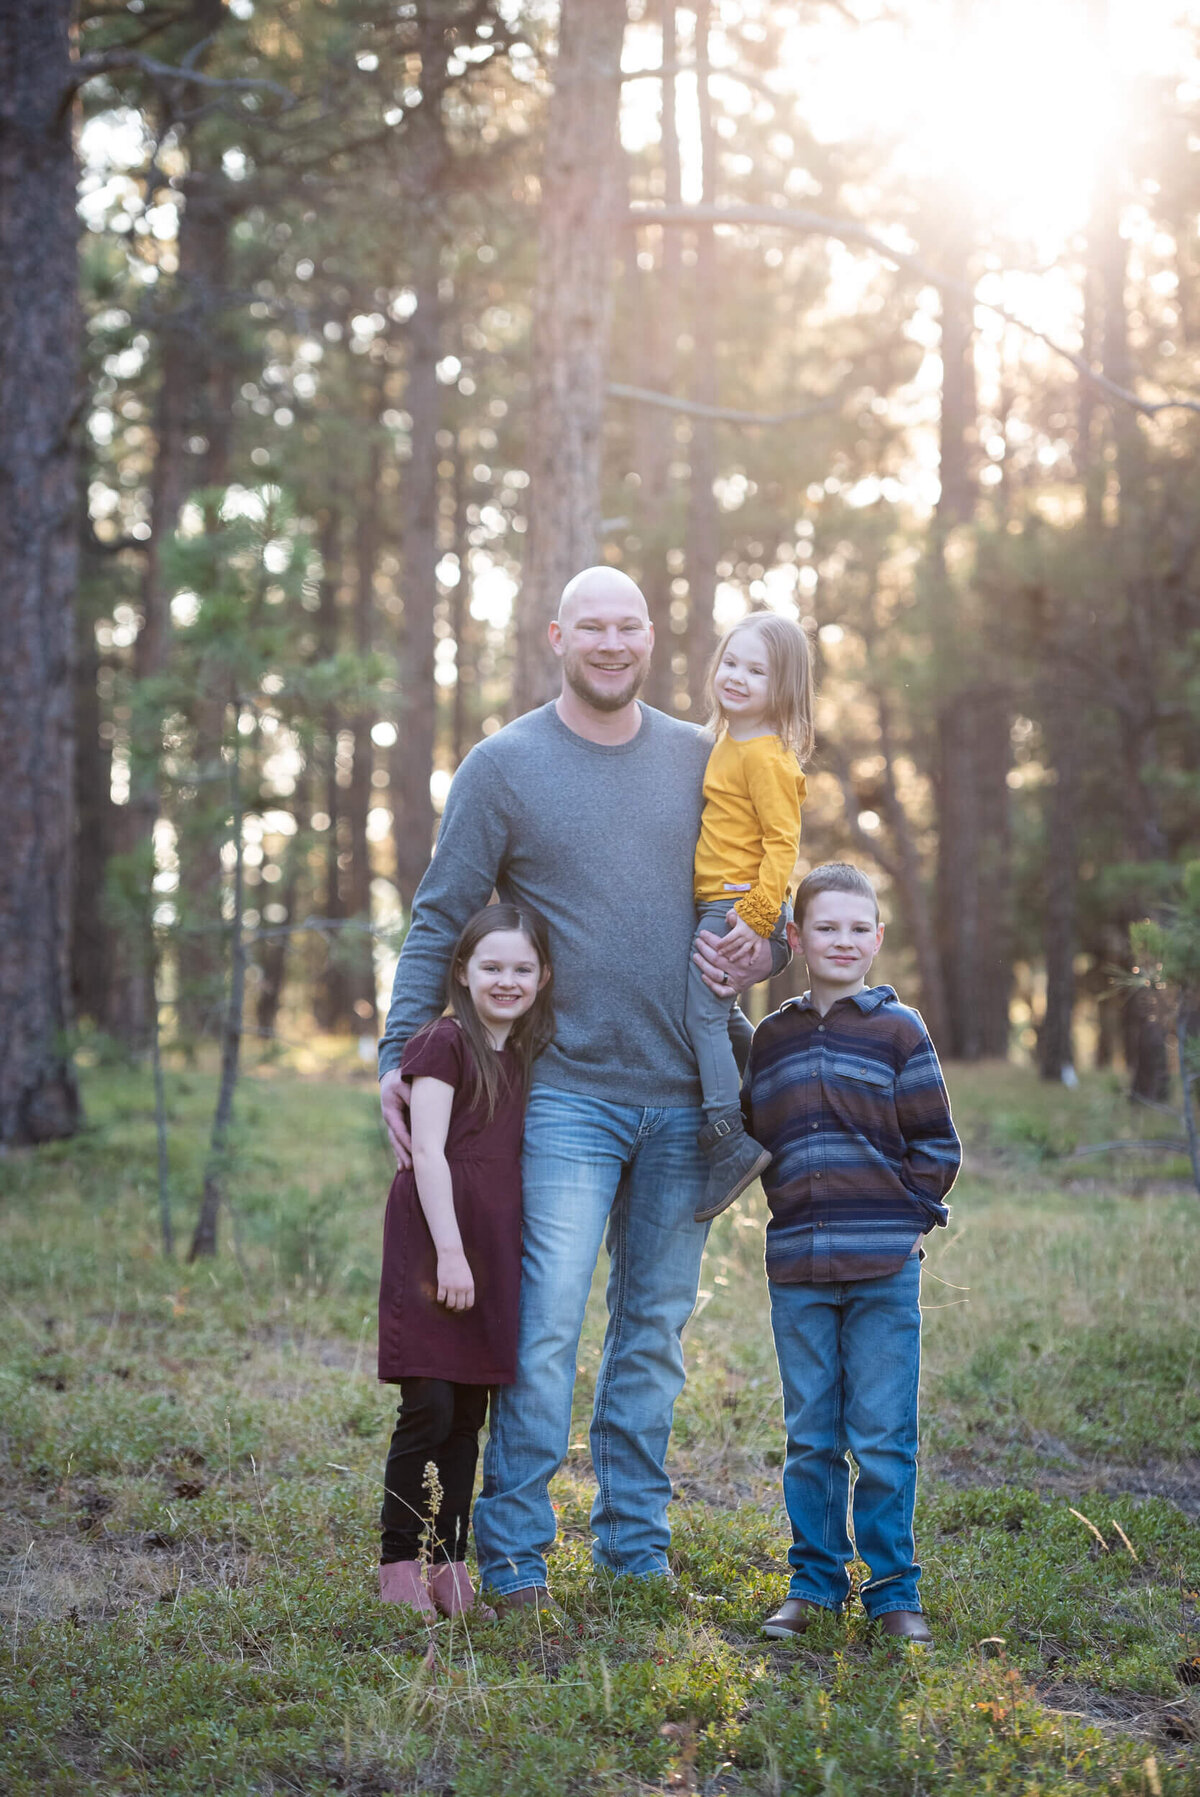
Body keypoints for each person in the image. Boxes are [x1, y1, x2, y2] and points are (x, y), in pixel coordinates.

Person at [378, 565, 788, 1611]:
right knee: (547, 1327)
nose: (611, 644)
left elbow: (765, 906)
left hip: (691, 1100)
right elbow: (442, 914)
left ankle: (634, 1552)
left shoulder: (709, 758)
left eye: (630, 627)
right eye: (591, 627)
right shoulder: (505, 764)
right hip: (561, 1096)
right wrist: (397, 1052)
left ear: (652, 638)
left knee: (652, 1333)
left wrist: (764, 953)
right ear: (558, 634)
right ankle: (515, 1560)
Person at [742, 863, 961, 1646]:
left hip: (882, 1267)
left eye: (856, 927)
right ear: (796, 938)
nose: (842, 940)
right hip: (798, 1266)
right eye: (825, 927)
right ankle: (814, 1583)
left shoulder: (901, 1031)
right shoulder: (772, 1037)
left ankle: (894, 1590)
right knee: (811, 1432)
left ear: (877, 936)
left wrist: (911, 1224)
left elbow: (937, 1143)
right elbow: (756, 1133)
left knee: (881, 1434)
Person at [377, 904, 554, 1619]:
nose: (506, 980)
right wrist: (449, 1251)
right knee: (428, 1406)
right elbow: (426, 1151)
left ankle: (450, 1567)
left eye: (521, 968)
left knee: (467, 1417)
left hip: (491, 1248)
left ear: (542, 977)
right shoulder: (444, 1042)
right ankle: (397, 1567)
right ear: (463, 973)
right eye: (491, 967)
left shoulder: (527, 1052)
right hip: (436, 1241)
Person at [688, 612, 813, 1222]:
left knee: (701, 1014)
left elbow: (783, 842)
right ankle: (777, 1078)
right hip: (724, 897)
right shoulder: (728, 741)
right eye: (730, 663)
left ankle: (726, 1139)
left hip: (737, 903)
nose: (736, 677)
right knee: (722, 1013)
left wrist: (758, 913)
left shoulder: (765, 755)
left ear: (782, 687)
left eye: (755, 670)